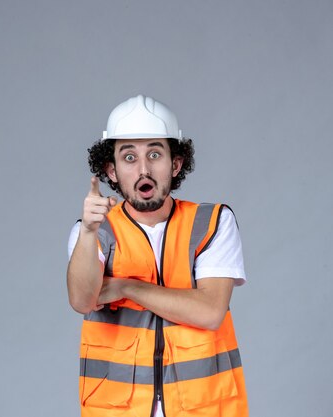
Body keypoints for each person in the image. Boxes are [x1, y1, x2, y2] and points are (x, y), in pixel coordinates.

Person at [67, 95, 248, 417]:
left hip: (204, 407)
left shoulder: (212, 222)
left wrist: (125, 287)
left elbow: (209, 313)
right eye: (129, 157)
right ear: (111, 170)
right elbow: (82, 300)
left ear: (175, 164)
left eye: (155, 154)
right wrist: (89, 233)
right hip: (117, 408)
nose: (144, 168)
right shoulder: (93, 231)